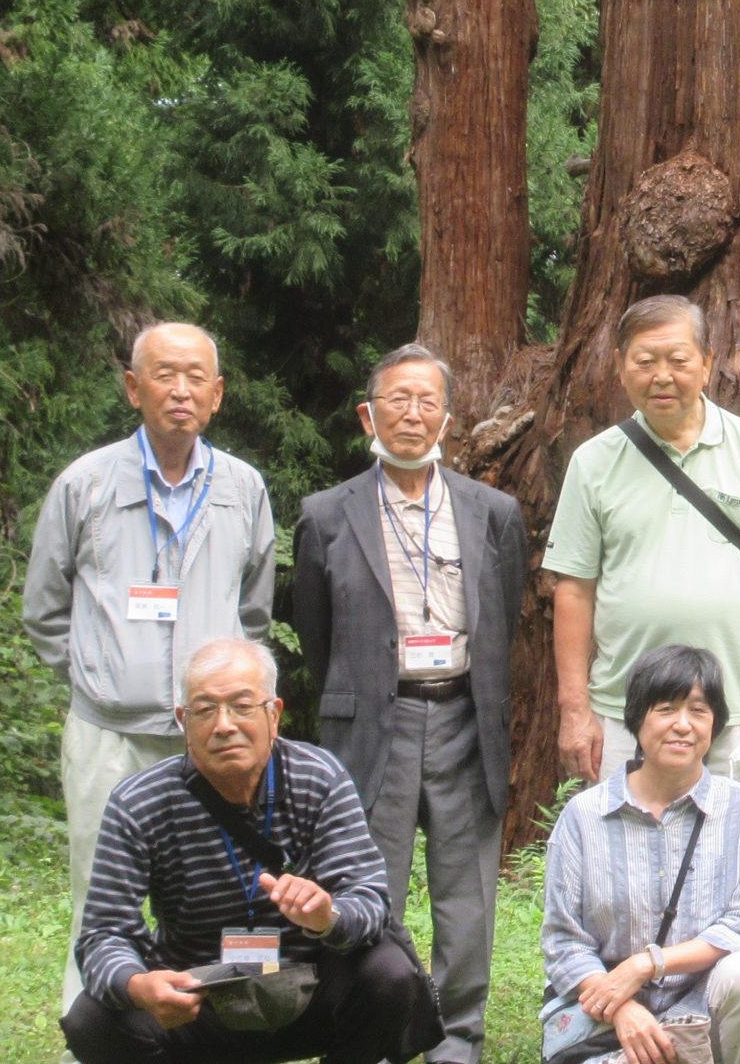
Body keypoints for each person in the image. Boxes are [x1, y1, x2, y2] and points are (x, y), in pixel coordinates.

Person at [23, 321, 277, 1019]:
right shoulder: (85, 483)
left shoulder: (243, 488)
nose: (181, 389)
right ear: (134, 387)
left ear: (218, 393)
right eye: (165, 374)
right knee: (97, 889)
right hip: (109, 733)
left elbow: (252, 613)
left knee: (217, 887)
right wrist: (99, 678)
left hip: (212, 736)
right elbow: (44, 608)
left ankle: (217, 1023)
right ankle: (95, 1028)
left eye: (197, 376)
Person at [288, 342, 528, 1064]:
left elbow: (504, 617)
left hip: (464, 716)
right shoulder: (326, 514)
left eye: (427, 400)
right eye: (397, 398)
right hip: (371, 723)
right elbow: (314, 633)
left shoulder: (494, 512)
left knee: (467, 898)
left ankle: (459, 1041)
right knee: (369, 888)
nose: (412, 413)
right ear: (369, 412)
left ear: (448, 418)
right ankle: (376, 1032)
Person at [61, 639, 440, 1064]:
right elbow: (102, 934)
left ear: (273, 715)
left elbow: (370, 900)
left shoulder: (319, 778)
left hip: (307, 985)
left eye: (242, 706)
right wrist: (137, 985)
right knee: (90, 1020)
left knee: (389, 974)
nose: (223, 725)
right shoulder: (139, 802)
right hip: (197, 1000)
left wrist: (326, 916)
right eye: (205, 710)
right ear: (184, 721)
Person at [546, 295, 740, 815]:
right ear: (621, 367)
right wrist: (574, 709)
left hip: (738, 715)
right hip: (624, 715)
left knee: (737, 869)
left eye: (678, 360)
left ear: (708, 363)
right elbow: (574, 590)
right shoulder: (593, 461)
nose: (661, 376)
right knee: (620, 873)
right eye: (645, 362)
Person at [541, 645, 740, 1064]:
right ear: (637, 719)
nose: (683, 726)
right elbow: (564, 941)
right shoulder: (584, 816)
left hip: (703, 1006)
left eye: (699, 711)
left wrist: (646, 964)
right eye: (666, 709)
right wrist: (622, 1007)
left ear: (717, 723)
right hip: (607, 1015)